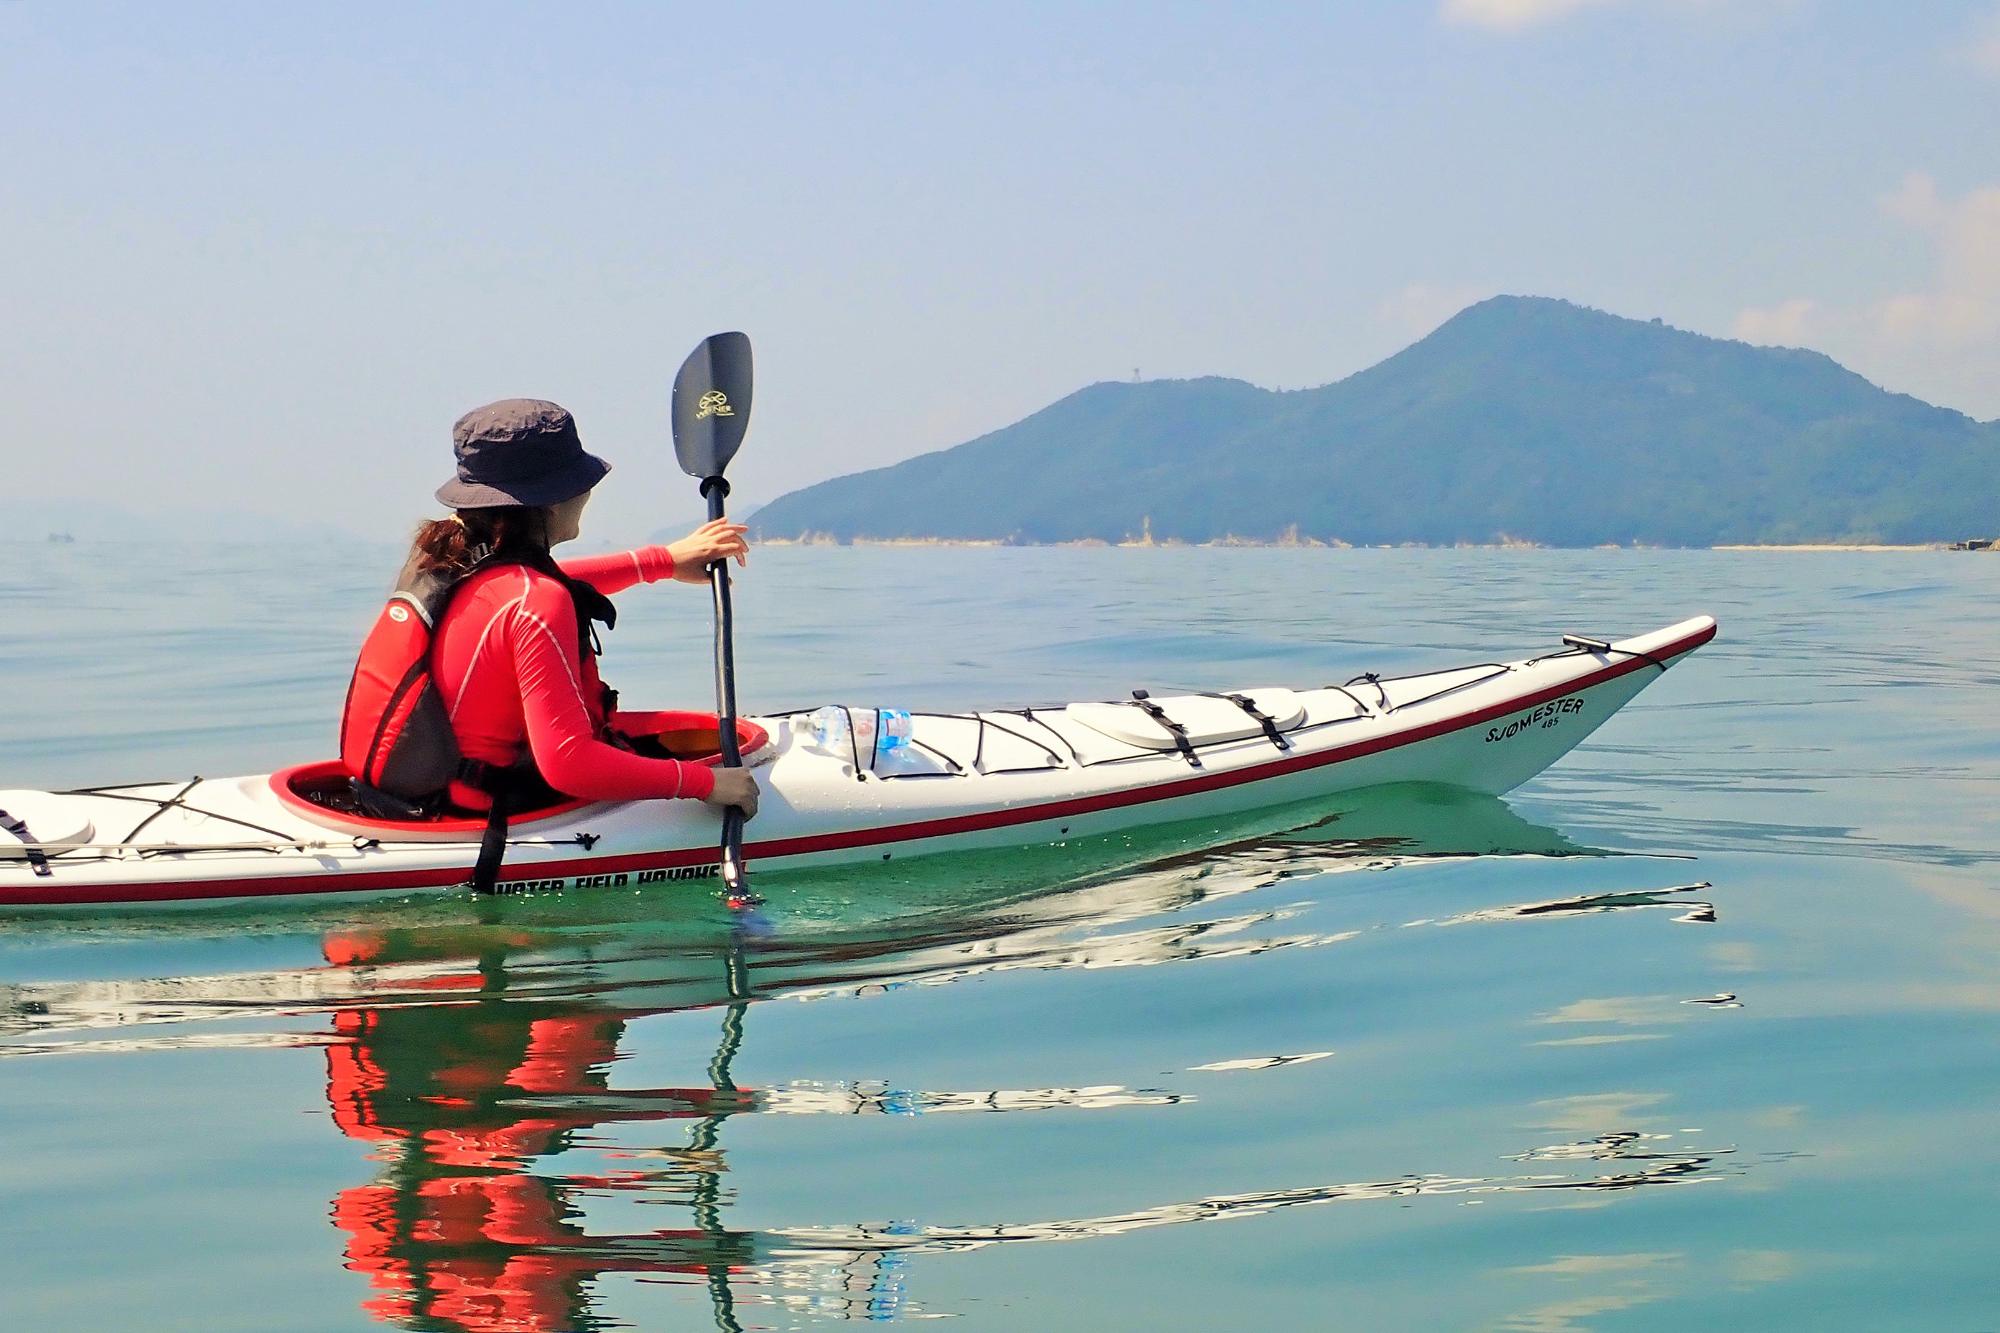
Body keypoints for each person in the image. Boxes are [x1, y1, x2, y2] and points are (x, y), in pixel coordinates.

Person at [403, 397, 759, 820]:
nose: (589, 490)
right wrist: (707, 784)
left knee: (695, 735)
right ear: (553, 500)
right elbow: (570, 763)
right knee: (709, 757)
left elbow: (555, 582)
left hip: (432, 792)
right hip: (494, 813)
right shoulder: (536, 602)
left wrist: (662, 561)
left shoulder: (460, 565)